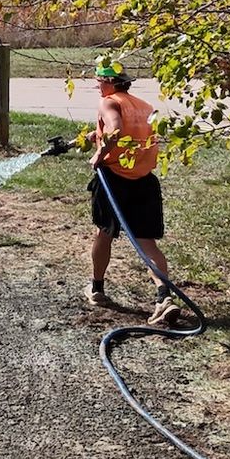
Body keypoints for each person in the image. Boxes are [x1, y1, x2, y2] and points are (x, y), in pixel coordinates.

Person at [85, 55, 180, 324]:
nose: (97, 87)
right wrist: (97, 133)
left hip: (115, 179)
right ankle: (164, 297)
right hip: (144, 180)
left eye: (98, 82)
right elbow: (133, 132)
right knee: (145, 242)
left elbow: (115, 130)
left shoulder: (109, 101)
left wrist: (100, 155)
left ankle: (97, 289)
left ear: (107, 82)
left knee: (104, 233)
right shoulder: (144, 106)